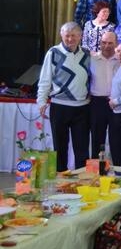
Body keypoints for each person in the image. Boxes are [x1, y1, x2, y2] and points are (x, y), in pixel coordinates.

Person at [37, 22, 92, 171]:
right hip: (59, 106)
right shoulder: (53, 53)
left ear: (80, 36)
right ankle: (60, 179)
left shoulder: (87, 54)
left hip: (82, 107)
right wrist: (41, 101)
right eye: (67, 35)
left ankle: (83, 179)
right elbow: (45, 79)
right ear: (61, 35)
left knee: (82, 148)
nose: (70, 39)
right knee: (60, 147)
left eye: (74, 35)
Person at [88, 31, 118, 158]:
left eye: (110, 43)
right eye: (104, 42)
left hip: (116, 103)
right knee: (97, 138)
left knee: (116, 139)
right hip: (97, 103)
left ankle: (118, 166)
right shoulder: (92, 59)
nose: (106, 46)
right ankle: (96, 166)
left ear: (116, 44)